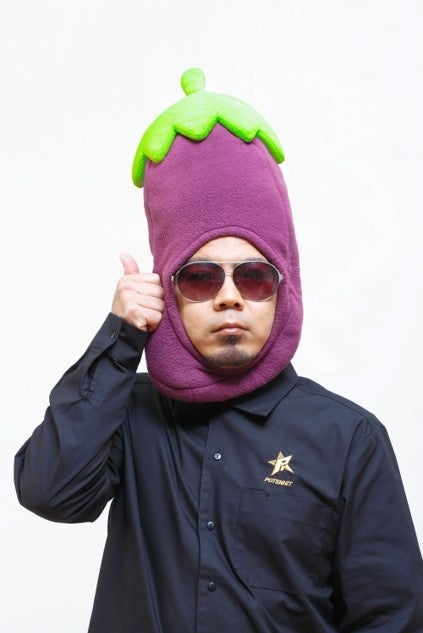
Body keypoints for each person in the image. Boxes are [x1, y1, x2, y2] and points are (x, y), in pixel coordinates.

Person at [15, 68, 422, 632]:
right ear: (169, 290)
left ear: (283, 289)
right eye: (202, 277)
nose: (229, 297)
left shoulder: (348, 438)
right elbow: (50, 492)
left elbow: (393, 619)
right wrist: (121, 336)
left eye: (253, 276)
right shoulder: (126, 414)